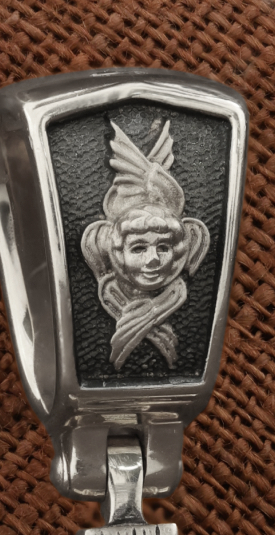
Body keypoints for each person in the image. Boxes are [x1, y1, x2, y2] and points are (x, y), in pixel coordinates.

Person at [81, 119, 211, 370]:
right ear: (116, 252)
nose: (153, 259)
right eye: (139, 248)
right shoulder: (110, 290)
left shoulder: (177, 292)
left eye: (163, 248)